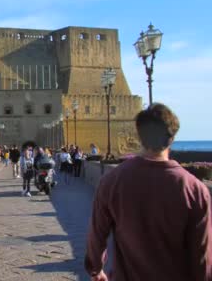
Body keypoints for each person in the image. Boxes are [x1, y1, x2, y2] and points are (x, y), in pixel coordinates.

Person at [85, 103, 212, 280]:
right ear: (172, 138)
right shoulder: (195, 190)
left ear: (139, 136)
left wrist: (96, 268)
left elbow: (97, 235)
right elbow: (202, 256)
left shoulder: (112, 181)